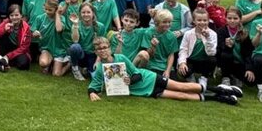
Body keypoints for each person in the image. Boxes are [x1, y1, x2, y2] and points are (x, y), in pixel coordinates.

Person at [87, 37, 240, 104]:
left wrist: (129, 80)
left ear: (109, 48)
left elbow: (137, 74)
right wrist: (92, 93)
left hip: (149, 78)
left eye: (105, 47)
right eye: (99, 49)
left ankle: (220, 89)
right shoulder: (101, 69)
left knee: (181, 87)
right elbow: (94, 85)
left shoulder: (121, 58)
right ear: (96, 52)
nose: (102, 51)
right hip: (144, 91)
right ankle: (217, 98)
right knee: (180, 96)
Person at [0, 5, 32, 70]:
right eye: (12, 15)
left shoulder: (26, 27)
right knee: (2, 36)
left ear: (21, 15)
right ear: (9, 16)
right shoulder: (6, 22)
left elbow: (24, 47)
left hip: (19, 50)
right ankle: (2, 59)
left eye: (16, 15)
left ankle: (4, 60)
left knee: (24, 65)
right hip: (6, 48)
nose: (14, 17)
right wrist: (4, 29)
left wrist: (8, 56)